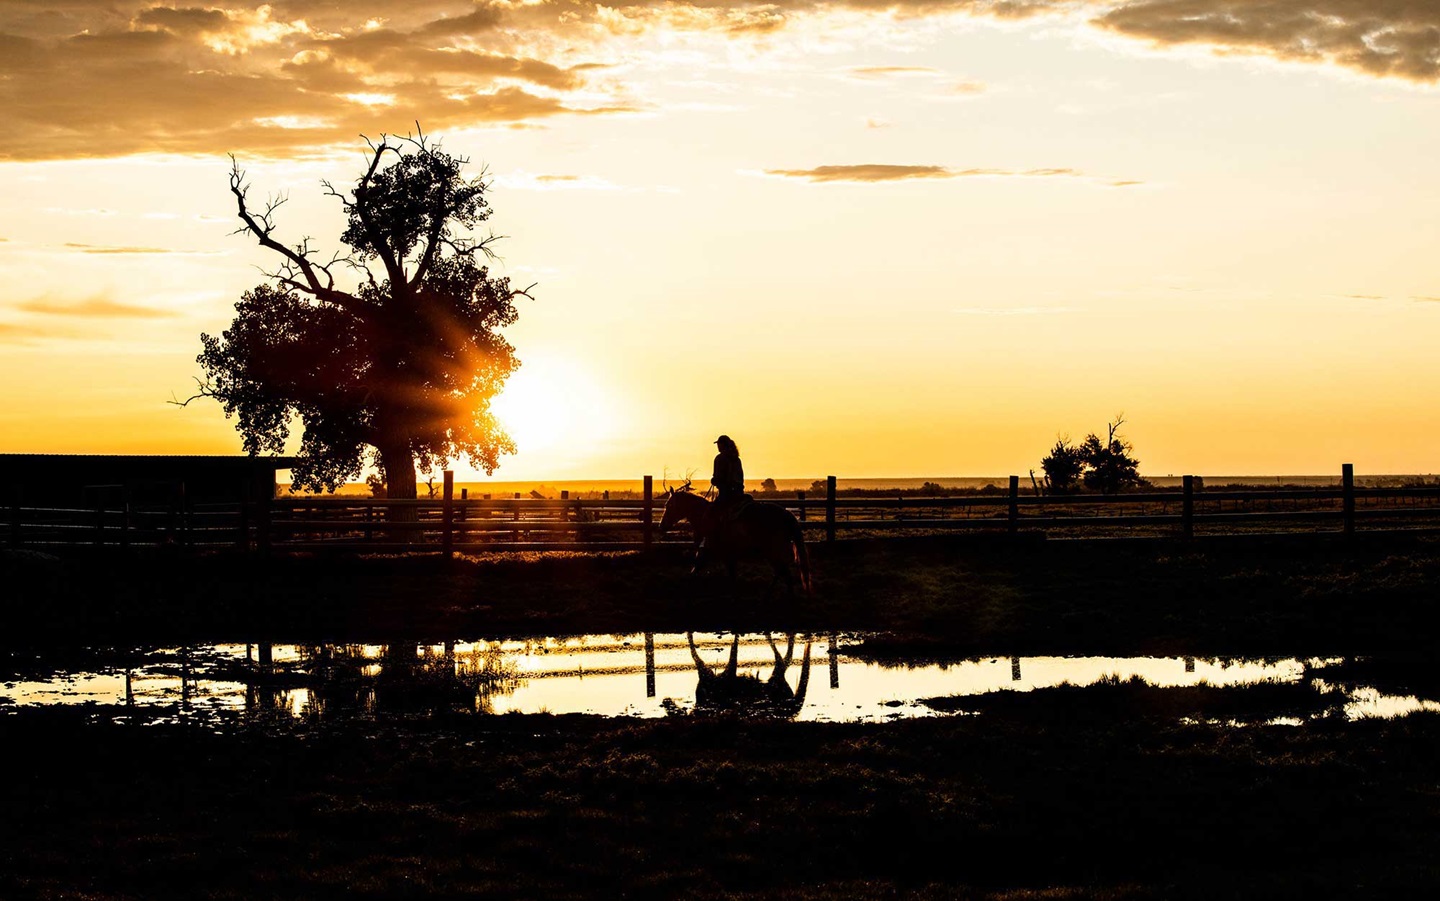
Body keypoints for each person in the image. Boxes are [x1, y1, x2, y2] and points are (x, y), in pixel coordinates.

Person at [695, 434, 747, 571]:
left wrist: (714, 481)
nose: (717, 446)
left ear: (722, 445)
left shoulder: (720, 458)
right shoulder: (737, 459)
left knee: (709, 515)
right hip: (739, 494)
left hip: (726, 494)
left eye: (719, 444)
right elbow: (740, 478)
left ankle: (711, 543)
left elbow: (718, 478)